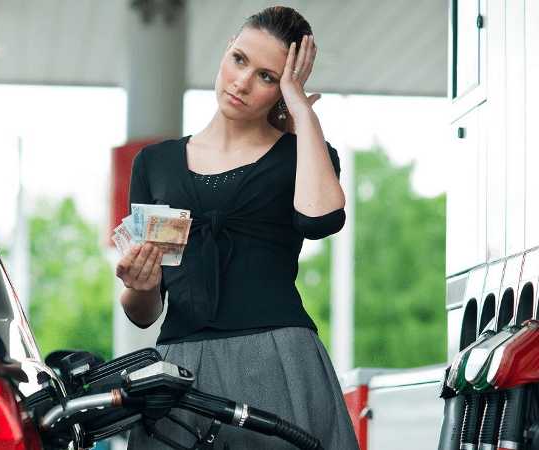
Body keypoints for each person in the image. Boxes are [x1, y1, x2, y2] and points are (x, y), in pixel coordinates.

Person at [115, 6, 360, 450]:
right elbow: (144, 311)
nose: (242, 82)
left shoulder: (302, 154)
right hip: (179, 370)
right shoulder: (154, 163)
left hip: (280, 363)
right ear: (228, 48)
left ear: (284, 89)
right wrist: (138, 284)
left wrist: (301, 112)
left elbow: (320, 219)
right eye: (241, 60)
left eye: (269, 77)